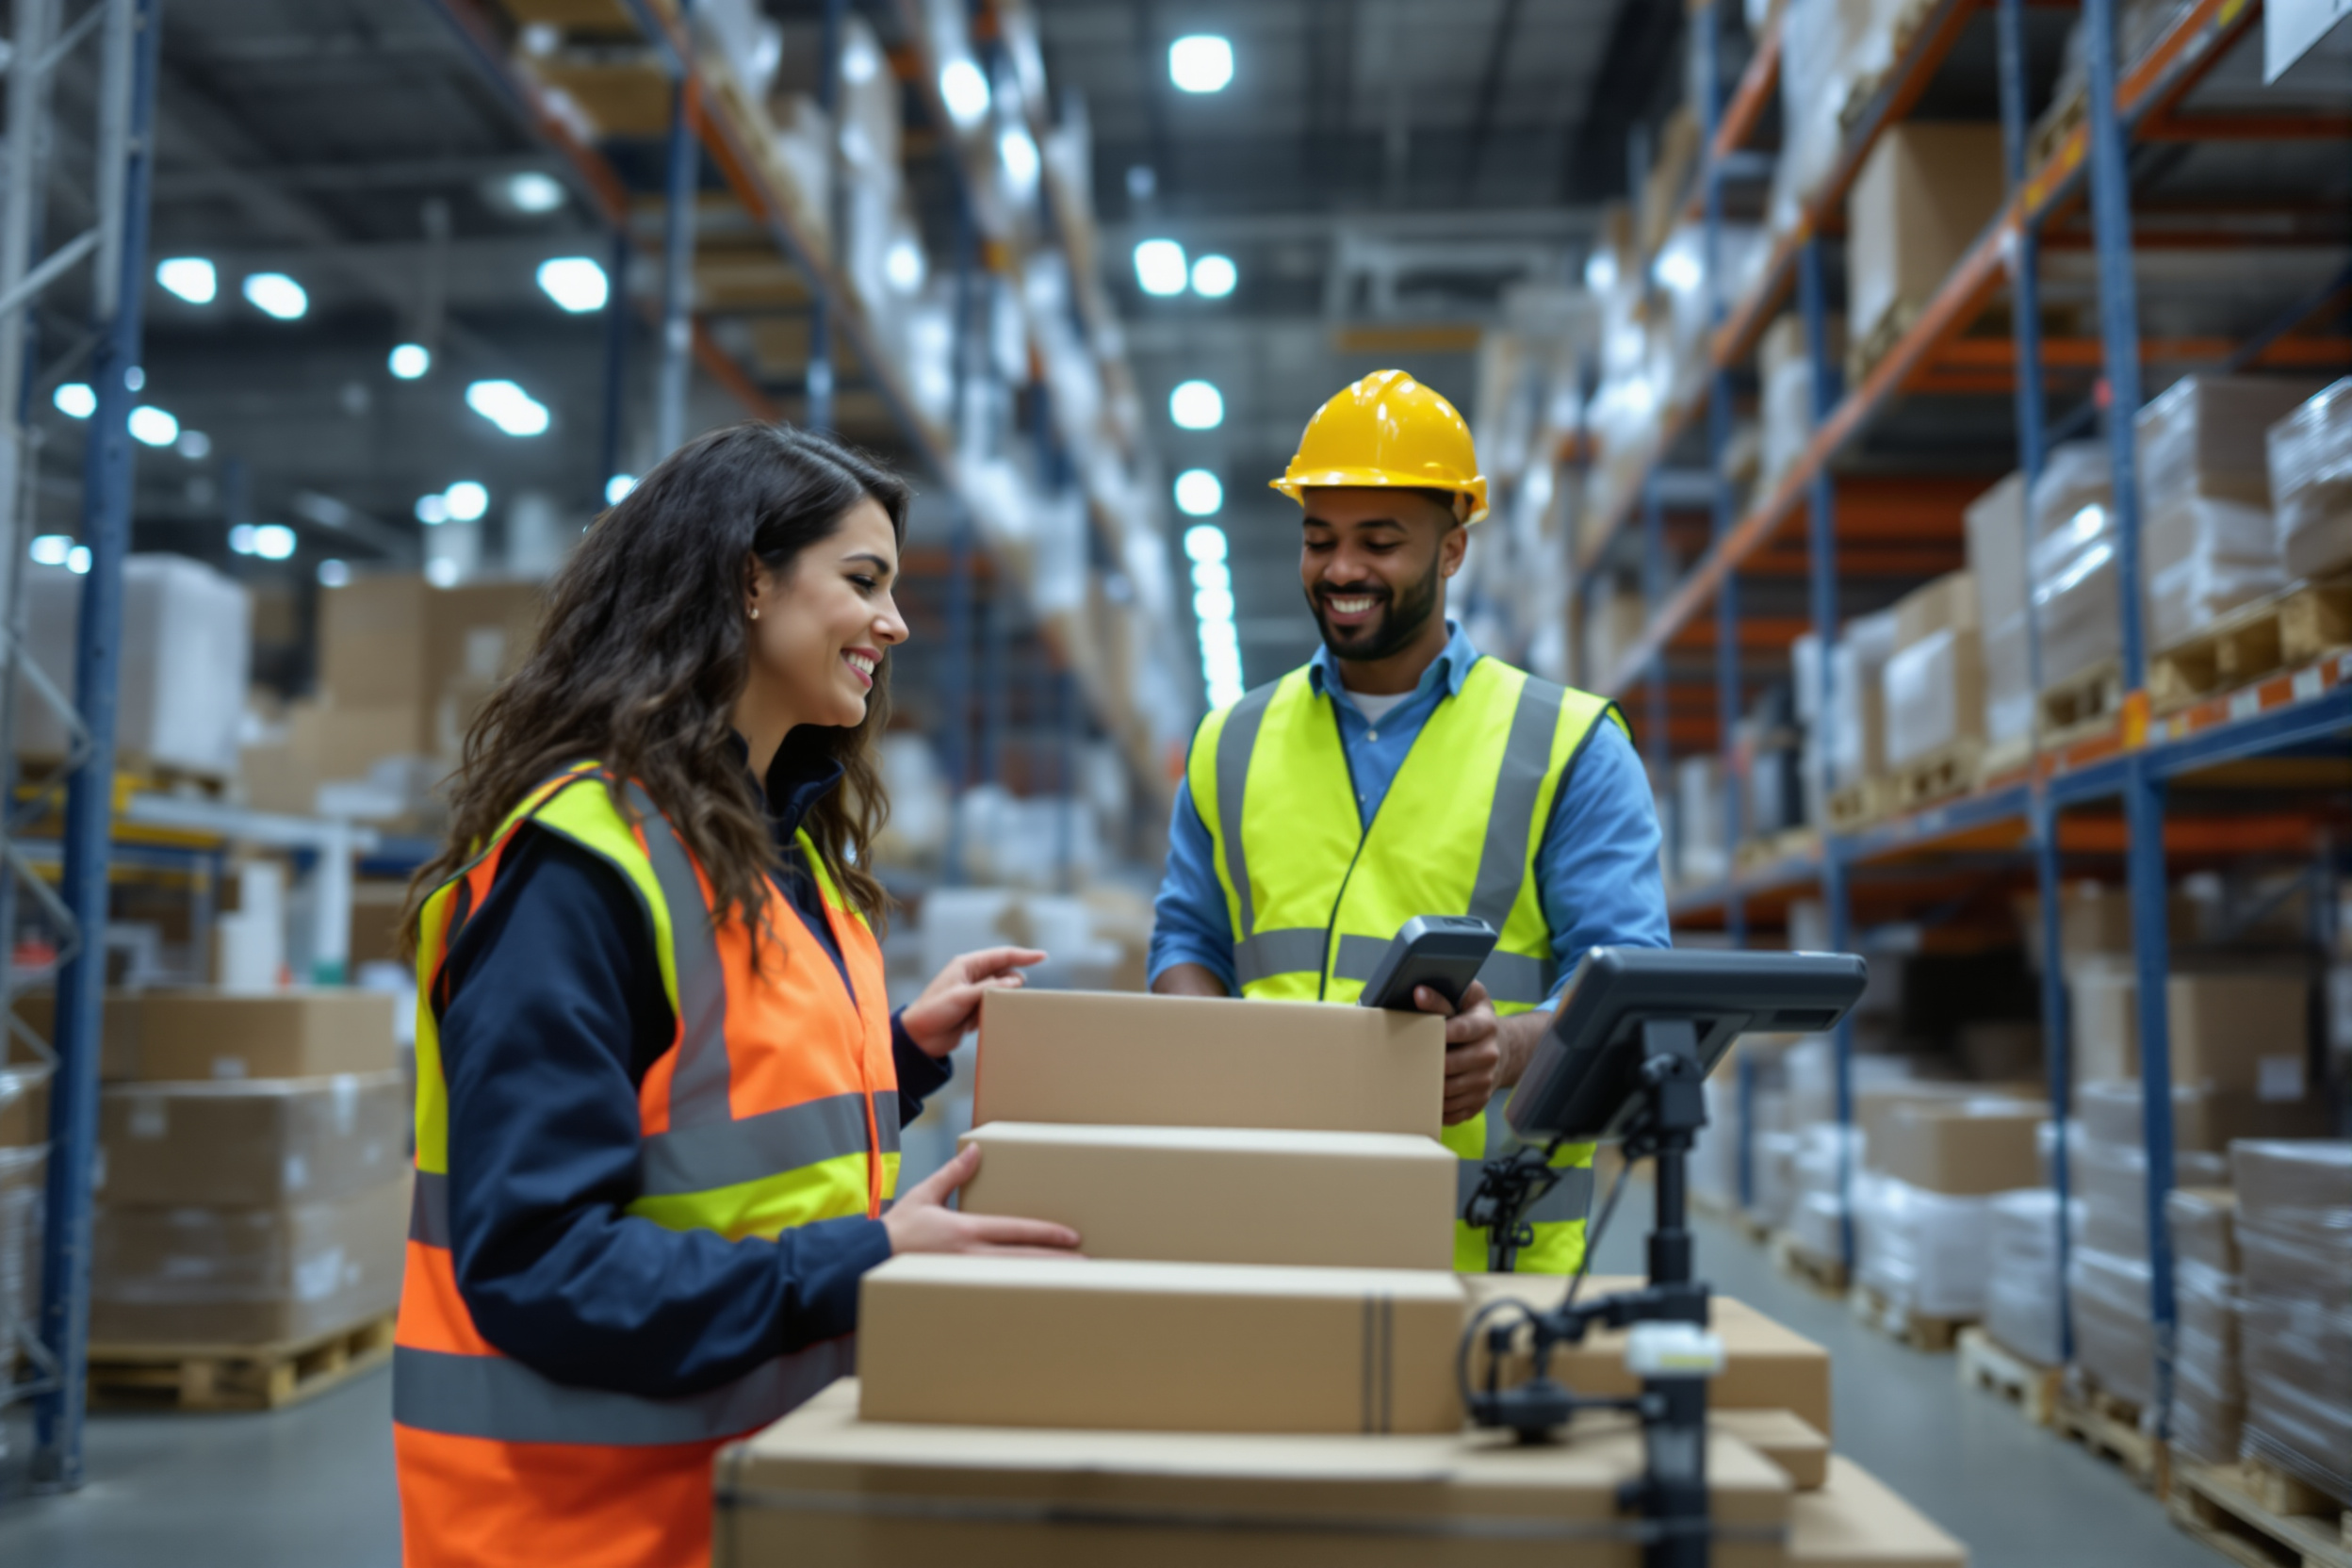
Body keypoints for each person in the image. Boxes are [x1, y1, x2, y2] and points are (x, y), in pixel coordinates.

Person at [391, 423, 1081, 1567]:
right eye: (863, 581)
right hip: (587, 1525)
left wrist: (906, 1049)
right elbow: (541, 1266)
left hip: (746, 1497)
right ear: (747, 578)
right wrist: (864, 1258)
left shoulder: (781, 853)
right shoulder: (584, 867)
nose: (895, 624)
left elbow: (734, 1125)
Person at [1150, 369, 1670, 1274]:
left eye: (1379, 542)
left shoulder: (1568, 742)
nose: (1341, 570)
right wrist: (1212, 1048)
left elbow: (1626, 980)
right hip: (1266, 1231)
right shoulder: (1229, 742)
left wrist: (1504, 1049)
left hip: (1484, 1253)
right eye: (1320, 540)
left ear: (1454, 548)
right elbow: (1188, 939)